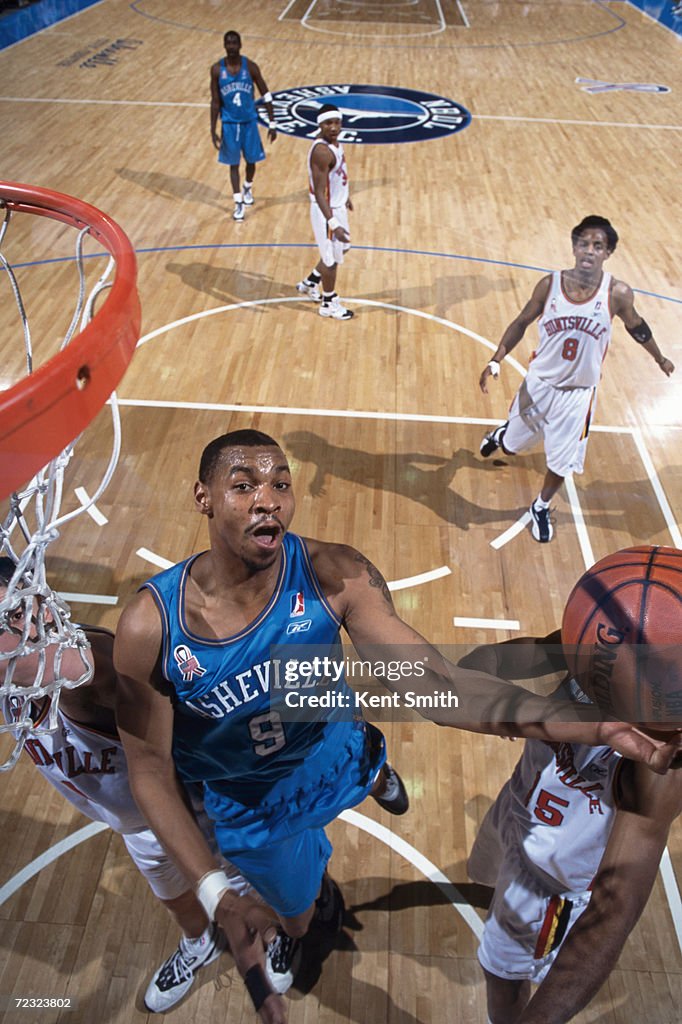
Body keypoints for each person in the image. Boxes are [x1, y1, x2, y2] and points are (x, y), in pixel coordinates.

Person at [113, 428, 682, 1008]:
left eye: (281, 483)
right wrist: (212, 891)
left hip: (326, 743)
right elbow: (150, 769)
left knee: (352, 709)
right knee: (299, 912)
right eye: (244, 485)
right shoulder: (150, 627)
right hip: (249, 792)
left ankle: (372, 767)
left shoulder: (336, 572)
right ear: (202, 497)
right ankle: (295, 930)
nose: (268, 497)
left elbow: (438, 686)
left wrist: (595, 727)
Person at [0, 558, 288, 1023]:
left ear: (28, 612)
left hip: (188, 812)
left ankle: (274, 941)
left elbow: (121, 683)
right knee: (175, 901)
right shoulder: (15, 680)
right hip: (134, 826)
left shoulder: (84, 677)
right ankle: (198, 944)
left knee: (239, 893)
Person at [459, 633, 681, 1024]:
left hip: (549, 888)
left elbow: (612, 913)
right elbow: (493, 658)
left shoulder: (659, 755)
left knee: (502, 976)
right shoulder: (604, 639)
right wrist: (490, 688)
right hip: (515, 811)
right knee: (481, 873)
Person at [478, 215, 675, 543]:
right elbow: (520, 322)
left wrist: (659, 357)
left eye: (598, 246)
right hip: (539, 386)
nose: (589, 250)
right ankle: (503, 435)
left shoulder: (617, 293)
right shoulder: (549, 285)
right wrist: (496, 357)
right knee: (512, 447)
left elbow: (636, 326)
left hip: (579, 395)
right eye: (583, 243)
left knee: (562, 460)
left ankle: (540, 506)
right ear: (573, 247)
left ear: (608, 252)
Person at [210, 30, 276, 222]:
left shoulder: (251, 67)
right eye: (228, 43)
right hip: (230, 124)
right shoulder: (216, 70)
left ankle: (247, 186)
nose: (231, 46)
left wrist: (272, 122)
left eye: (234, 43)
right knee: (233, 164)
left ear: (240, 45)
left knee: (251, 162)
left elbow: (267, 94)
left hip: (249, 122)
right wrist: (212, 128)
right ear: (224, 45)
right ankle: (238, 202)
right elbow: (215, 101)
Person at [296, 103, 354, 320]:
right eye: (328, 123)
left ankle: (310, 281)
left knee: (342, 250)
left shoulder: (335, 144)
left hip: (337, 206)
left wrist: (345, 195)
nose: (333, 127)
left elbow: (336, 176)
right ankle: (328, 303)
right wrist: (333, 223)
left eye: (337, 122)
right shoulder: (321, 151)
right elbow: (320, 193)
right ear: (319, 124)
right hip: (325, 211)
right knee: (330, 260)